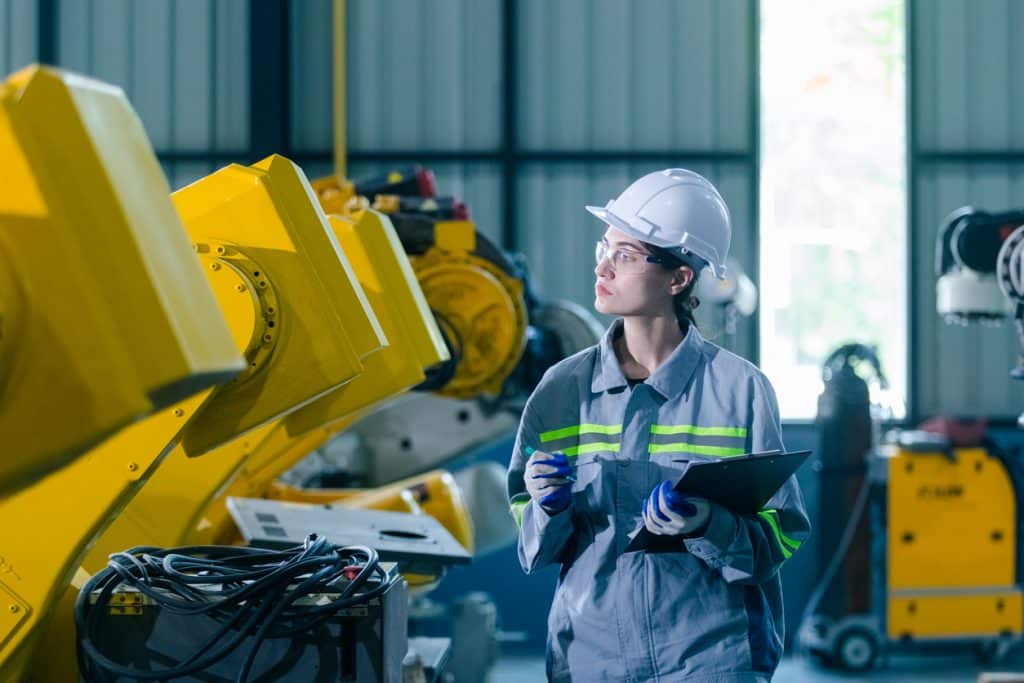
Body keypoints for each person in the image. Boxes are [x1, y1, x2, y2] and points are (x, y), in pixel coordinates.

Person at [507, 169, 810, 682]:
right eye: (605, 246)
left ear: (679, 278)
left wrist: (706, 523)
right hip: (591, 658)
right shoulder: (561, 391)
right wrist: (546, 506)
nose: (603, 266)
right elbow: (533, 545)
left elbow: (780, 537)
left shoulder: (739, 391)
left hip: (712, 660)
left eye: (625, 255)